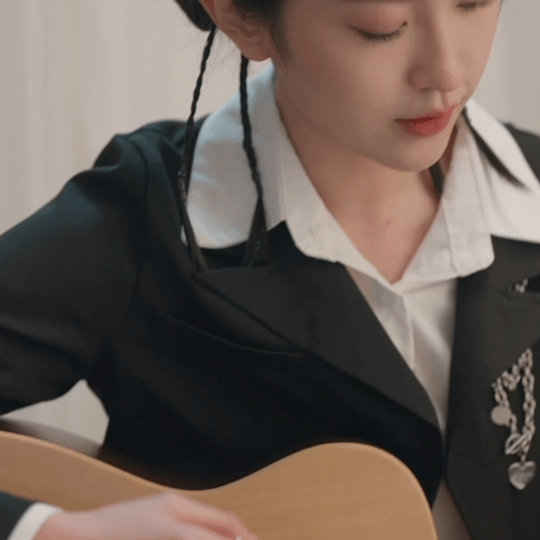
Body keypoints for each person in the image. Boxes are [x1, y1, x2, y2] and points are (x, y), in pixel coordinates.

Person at [1, 0, 539, 538]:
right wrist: (50, 531)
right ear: (238, 17)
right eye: (382, 28)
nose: (446, 72)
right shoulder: (145, 218)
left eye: (474, 2)